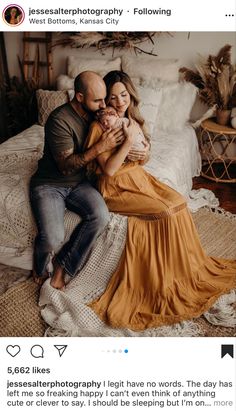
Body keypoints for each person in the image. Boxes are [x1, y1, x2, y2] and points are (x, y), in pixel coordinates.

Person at [85, 70, 236, 331]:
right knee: (165, 211)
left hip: (138, 178)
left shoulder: (129, 120)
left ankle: (187, 271)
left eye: (124, 95)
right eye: (113, 97)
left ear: (129, 95)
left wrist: (142, 149)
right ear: (104, 100)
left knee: (178, 201)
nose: (120, 101)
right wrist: (128, 141)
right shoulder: (100, 126)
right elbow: (109, 170)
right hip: (116, 187)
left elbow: (141, 158)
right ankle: (164, 282)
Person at [30, 71, 129, 290]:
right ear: (80, 97)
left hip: (79, 182)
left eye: (105, 98)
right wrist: (100, 148)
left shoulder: (98, 115)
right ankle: (38, 267)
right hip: (51, 184)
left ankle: (63, 265)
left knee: (101, 216)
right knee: (53, 238)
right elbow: (66, 167)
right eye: (97, 100)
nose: (104, 105)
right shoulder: (59, 120)